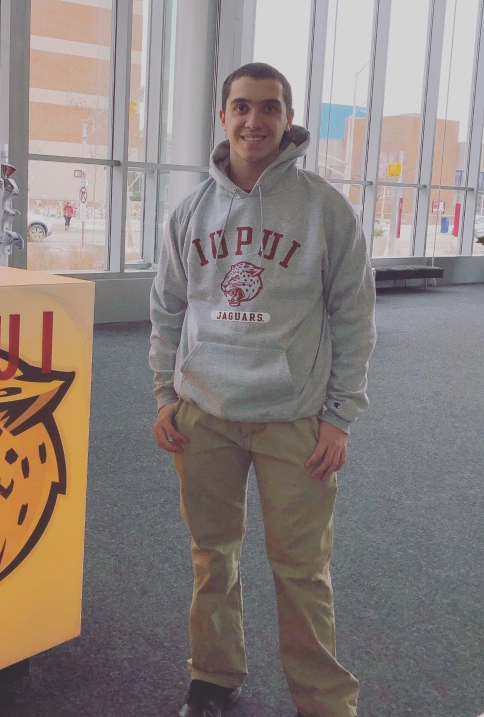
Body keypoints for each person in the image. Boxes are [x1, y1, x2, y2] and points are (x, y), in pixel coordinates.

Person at [149, 62, 376, 717]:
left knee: (301, 571)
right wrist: (166, 395)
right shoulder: (189, 212)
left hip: (294, 419)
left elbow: (355, 318)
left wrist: (340, 417)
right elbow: (167, 309)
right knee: (211, 556)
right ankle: (213, 675)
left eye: (270, 107)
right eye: (242, 107)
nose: (255, 120)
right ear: (223, 117)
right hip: (206, 414)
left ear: (288, 118)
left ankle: (325, 700)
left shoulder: (326, 211)